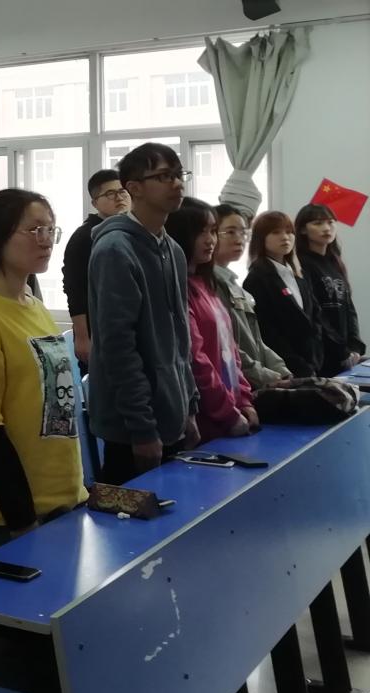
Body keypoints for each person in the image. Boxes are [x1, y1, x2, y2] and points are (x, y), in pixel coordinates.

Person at [0, 189, 85, 553]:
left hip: (65, 498)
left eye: (50, 230)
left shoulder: (34, 306)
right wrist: (21, 518)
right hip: (13, 516)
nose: (46, 240)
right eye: (34, 230)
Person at [88, 143, 200, 485]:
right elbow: (118, 347)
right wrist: (142, 427)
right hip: (133, 428)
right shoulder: (115, 249)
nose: (177, 184)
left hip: (170, 414)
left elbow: (180, 339)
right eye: (164, 176)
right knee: (133, 514)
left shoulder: (173, 249)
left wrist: (189, 406)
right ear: (134, 188)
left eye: (179, 175)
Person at [166, 201, 257, 442]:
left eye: (213, 231)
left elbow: (230, 351)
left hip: (231, 410)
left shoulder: (206, 284)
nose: (210, 240)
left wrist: (244, 400)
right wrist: (228, 413)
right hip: (207, 418)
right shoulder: (179, 288)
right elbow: (197, 360)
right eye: (201, 232)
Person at [211, 203, 291, 389]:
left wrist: (280, 369)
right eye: (230, 232)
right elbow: (227, 347)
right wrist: (267, 376)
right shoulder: (210, 285)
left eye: (243, 232)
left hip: (259, 380)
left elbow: (256, 341)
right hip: (239, 384)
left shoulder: (233, 283)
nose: (239, 239)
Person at [61, 170, 131, 366]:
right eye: (110, 194)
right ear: (95, 203)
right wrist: (83, 337)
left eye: (123, 191)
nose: (119, 198)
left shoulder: (129, 232)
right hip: (97, 331)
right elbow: (75, 289)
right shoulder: (85, 236)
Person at [243, 211, 323, 377]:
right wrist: (296, 364)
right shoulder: (257, 278)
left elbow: (315, 316)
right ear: (261, 238)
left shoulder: (298, 274)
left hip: (312, 362)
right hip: (284, 369)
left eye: (289, 232)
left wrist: (316, 356)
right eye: (276, 232)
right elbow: (267, 331)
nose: (285, 237)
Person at [295, 203, 364, 375]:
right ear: (303, 230)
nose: (326, 228)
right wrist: (340, 349)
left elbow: (348, 308)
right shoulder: (301, 263)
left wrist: (355, 345)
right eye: (318, 223)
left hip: (346, 353)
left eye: (331, 222)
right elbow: (314, 313)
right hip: (320, 353)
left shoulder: (334, 263)